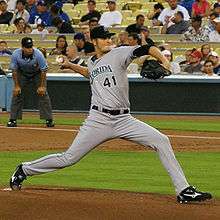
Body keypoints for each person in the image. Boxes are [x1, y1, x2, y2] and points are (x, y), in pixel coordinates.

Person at [9, 25, 212, 204]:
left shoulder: (120, 53)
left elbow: (146, 48)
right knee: (68, 158)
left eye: (110, 37)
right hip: (98, 120)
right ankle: (24, 169)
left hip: (124, 119)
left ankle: (183, 190)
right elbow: (91, 73)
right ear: (94, 41)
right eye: (104, 37)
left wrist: (164, 62)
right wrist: (71, 66)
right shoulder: (92, 61)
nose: (109, 40)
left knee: (161, 140)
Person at [7, 37, 54, 128]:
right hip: (22, 73)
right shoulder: (16, 54)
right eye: (27, 47)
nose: (30, 49)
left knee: (43, 94)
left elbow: (43, 70)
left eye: (31, 47)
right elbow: (14, 71)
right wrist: (16, 86)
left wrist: (42, 86)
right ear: (22, 47)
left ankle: (49, 119)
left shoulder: (38, 54)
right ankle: (13, 119)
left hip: (37, 73)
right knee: (17, 93)